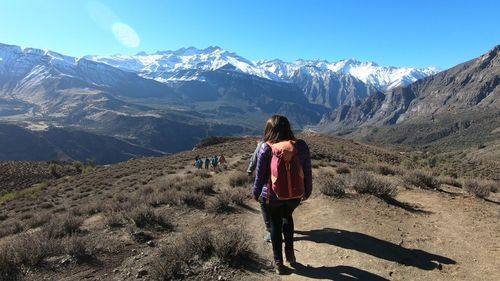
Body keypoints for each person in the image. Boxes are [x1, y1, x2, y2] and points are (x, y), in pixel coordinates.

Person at [252, 115, 312, 275]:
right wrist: (307, 191)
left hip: (273, 196)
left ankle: (279, 263)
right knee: (288, 218)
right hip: (295, 195)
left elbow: (260, 175)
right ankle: (290, 254)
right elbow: (307, 171)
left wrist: (256, 193)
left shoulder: (266, 147)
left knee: (275, 225)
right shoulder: (301, 146)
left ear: (269, 130)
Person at [247, 140, 271, 242]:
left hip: (267, 184)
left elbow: (254, 158)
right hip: (286, 185)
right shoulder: (289, 143)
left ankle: (270, 231)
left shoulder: (263, 145)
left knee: (265, 205)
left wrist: (250, 169)